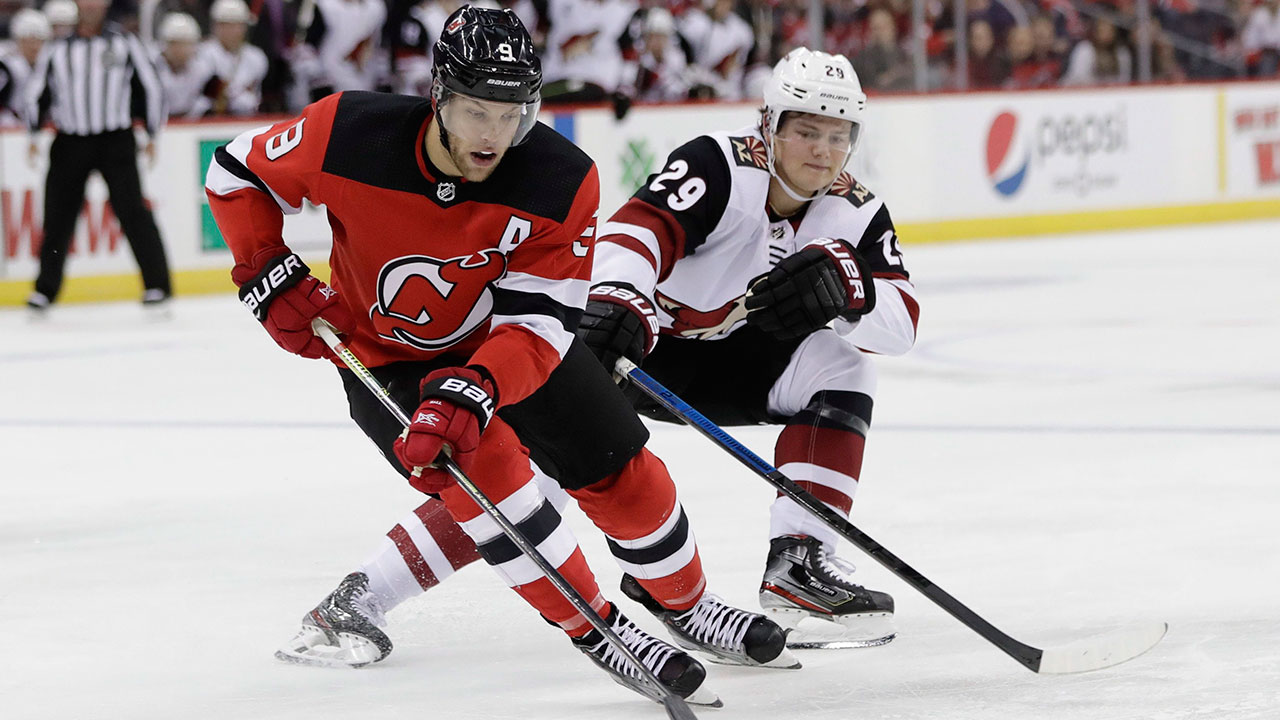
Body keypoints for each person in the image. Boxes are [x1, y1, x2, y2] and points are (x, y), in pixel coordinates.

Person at [204, 5, 792, 705]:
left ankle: (687, 604)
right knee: (493, 481)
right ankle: (597, 627)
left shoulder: (559, 178)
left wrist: (480, 384)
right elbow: (235, 172)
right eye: (477, 111)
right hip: (387, 359)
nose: (493, 135)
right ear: (439, 96)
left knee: (626, 474)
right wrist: (265, 268)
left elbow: (539, 326)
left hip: (509, 347)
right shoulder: (348, 132)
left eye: (512, 113)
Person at [579, 47, 918, 649]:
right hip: (638, 352)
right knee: (528, 473)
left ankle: (799, 561)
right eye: (807, 131)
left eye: (838, 136)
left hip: (733, 366)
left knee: (843, 368)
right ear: (770, 124)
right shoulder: (718, 165)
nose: (823, 151)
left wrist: (855, 293)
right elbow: (638, 230)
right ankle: (393, 578)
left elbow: (904, 322)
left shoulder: (856, 212)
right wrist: (617, 297)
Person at [23, 0, 172, 312]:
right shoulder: (57, 48)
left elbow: (151, 86)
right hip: (70, 140)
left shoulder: (124, 42)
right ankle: (45, 289)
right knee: (57, 217)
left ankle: (157, 283)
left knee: (133, 211)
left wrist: (152, 132)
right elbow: (36, 91)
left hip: (115, 140)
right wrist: (33, 132)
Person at [197, 0, 268, 115]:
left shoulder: (256, 56)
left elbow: (253, 94)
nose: (230, 30)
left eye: (235, 25)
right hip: (210, 117)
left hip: (247, 117)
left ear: (244, 26)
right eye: (224, 25)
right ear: (214, 26)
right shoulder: (203, 53)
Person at [154, 12, 216, 119]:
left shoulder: (203, 71)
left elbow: (212, 100)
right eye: (174, 44)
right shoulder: (152, 70)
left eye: (184, 44)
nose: (179, 50)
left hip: (192, 123)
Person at [0, 8, 50, 127]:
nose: (34, 47)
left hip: (37, 125)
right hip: (8, 125)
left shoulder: (47, 65)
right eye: (28, 41)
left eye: (38, 41)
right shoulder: (6, 67)